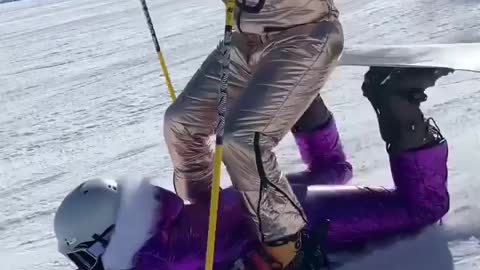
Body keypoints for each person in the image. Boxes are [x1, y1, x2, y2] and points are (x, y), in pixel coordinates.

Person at [53, 67, 452, 270]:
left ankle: (397, 98)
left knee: (424, 209)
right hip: (274, 198)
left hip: (303, 222)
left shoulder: (160, 262)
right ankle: (299, 88)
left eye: (84, 260)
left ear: (103, 241)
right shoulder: (162, 225)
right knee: (332, 169)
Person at [163, 0, 345, 267]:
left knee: (243, 141)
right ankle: (209, 221)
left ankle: (290, 252)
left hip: (303, 34)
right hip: (245, 41)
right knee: (180, 125)